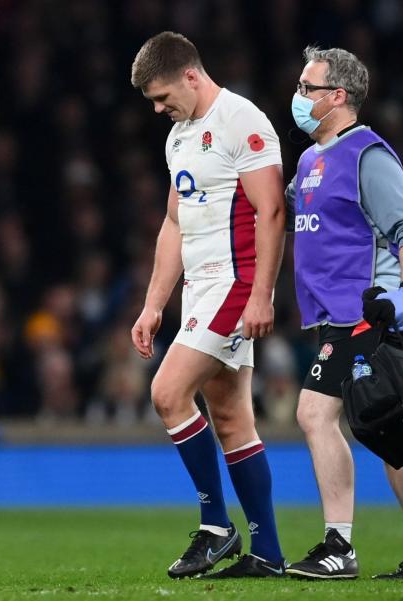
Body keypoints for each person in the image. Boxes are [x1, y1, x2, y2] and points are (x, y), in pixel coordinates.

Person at [284, 46, 403, 581]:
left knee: (320, 416)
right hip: (334, 314)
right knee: (388, 424)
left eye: (307, 88)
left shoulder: (367, 155)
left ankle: (340, 546)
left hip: (365, 312)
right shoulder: (312, 160)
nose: (298, 96)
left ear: (338, 96)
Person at [129, 32, 287, 579]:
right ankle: (267, 553)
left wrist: (262, 294)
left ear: (191, 76)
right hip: (201, 287)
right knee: (231, 418)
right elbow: (174, 223)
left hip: (236, 284)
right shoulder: (179, 137)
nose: (157, 108)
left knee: (168, 393)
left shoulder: (241, 120)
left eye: (162, 96)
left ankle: (216, 528)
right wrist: (153, 306)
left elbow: (270, 212)